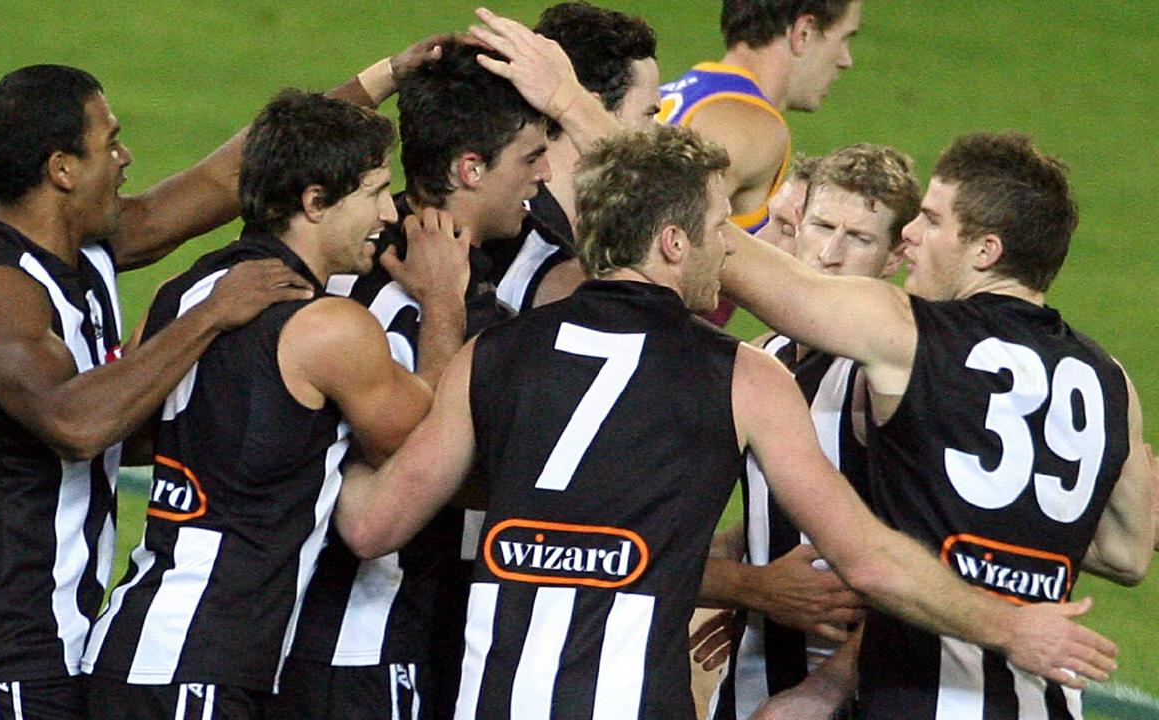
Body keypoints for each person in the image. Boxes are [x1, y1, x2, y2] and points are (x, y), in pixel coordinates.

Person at [330, 125, 1119, 720]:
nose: (731, 246)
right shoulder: (744, 375)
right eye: (718, 227)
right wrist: (1011, 628)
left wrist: (328, 433)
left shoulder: (494, 355)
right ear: (673, 241)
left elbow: (370, 525)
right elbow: (871, 561)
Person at [0, 35, 455, 717]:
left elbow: (230, 177)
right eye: (110, 143)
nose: (125, 158)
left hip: (53, 633)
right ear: (63, 169)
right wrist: (212, 315)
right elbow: (77, 425)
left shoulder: (89, 246)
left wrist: (381, 77)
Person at [719, 131, 1154, 719]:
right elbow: (1127, 554)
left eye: (931, 219)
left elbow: (779, 287)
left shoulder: (918, 338)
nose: (911, 235)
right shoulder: (1112, 380)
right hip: (1041, 702)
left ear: (984, 251)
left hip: (917, 697)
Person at [79, 89, 469, 719]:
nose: (386, 213)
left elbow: (138, 432)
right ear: (315, 202)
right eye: (373, 191)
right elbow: (421, 440)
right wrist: (445, 299)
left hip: (129, 645)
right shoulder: (328, 327)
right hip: (203, 665)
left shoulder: (185, 293)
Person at [275, 40, 563, 720]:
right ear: (469, 168)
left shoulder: (333, 258)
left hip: (308, 640)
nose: (544, 173)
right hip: (356, 652)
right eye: (529, 156)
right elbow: (417, 472)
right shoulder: (414, 298)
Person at [696, 144, 922, 720]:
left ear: (895, 255)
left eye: (860, 238)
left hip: (857, 692)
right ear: (797, 225)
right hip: (755, 676)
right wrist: (738, 581)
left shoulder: (887, 378)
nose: (829, 253)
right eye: (822, 226)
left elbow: (937, 549)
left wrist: (829, 686)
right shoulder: (762, 356)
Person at [657, 0, 863, 325]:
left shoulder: (683, 94)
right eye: (844, 37)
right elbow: (655, 246)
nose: (845, 60)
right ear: (804, 32)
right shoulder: (749, 125)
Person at [529, 1, 661, 242]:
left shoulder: (604, 224)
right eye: (649, 114)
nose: (659, 132)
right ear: (590, 109)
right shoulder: (512, 235)